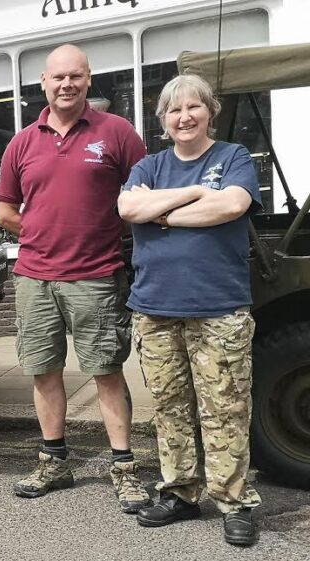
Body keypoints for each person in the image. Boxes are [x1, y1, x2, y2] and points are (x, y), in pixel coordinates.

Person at [0, 44, 150, 512]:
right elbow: (5, 209)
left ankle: (124, 468)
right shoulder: (22, 142)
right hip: (35, 278)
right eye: (58, 77)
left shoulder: (118, 133)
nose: (67, 84)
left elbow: (142, 198)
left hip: (97, 276)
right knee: (44, 372)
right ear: (43, 82)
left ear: (88, 79)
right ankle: (54, 463)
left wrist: (98, 230)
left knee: (105, 372)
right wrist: (45, 233)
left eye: (76, 76)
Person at [117, 73, 262, 546]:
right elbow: (128, 209)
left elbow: (232, 205)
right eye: (174, 110)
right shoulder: (149, 165)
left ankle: (234, 502)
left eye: (194, 107)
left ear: (209, 111)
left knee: (225, 408)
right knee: (169, 408)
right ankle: (180, 492)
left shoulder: (232, 157)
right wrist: (195, 193)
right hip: (156, 308)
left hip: (218, 307)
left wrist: (162, 213)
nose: (185, 117)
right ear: (163, 120)